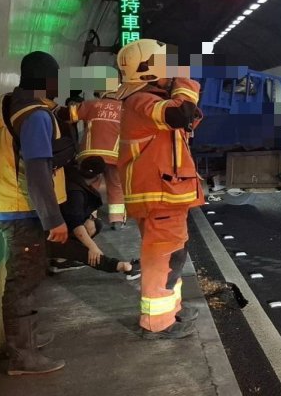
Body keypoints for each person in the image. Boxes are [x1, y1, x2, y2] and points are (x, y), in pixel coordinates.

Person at [0, 51, 74, 375]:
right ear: (46, 80)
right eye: (55, 78)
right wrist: (54, 220)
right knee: (24, 280)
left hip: (8, 204)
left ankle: (25, 340)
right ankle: (23, 356)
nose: (57, 84)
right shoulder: (34, 116)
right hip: (23, 210)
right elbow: (37, 170)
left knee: (27, 277)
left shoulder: (8, 103)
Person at [116, 39, 204, 340]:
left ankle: (171, 308)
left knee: (174, 256)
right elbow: (180, 115)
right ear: (149, 70)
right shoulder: (141, 101)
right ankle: (157, 324)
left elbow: (186, 120)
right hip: (159, 195)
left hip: (166, 193)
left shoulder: (150, 100)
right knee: (163, 259)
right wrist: (185, 81)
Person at [44, 156, 140, 278]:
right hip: (50, 237)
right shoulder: (76, 194)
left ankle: (62, 260)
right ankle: (124, 267)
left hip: (52, 229)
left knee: (95, 225)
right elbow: (76, 225)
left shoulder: (70, 176)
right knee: (88, 253)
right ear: (98, 177)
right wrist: (92, 247)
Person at [60, 83, 127, 228]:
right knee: (115, 185)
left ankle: (91, 216)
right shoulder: (125, 109)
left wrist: (71, 102)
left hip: (90, 154)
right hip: (115, 156)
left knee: (91, 185)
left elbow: (70, 116)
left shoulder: (92, 105)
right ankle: (117, 219)